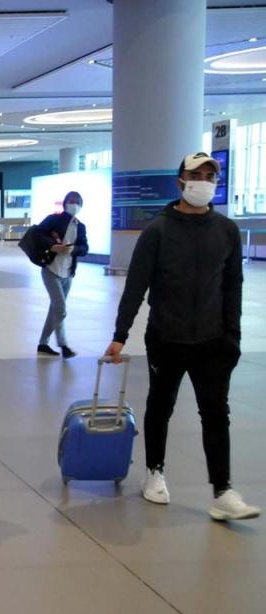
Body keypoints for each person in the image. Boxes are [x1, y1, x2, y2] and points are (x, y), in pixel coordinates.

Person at [106, 152, 259, 522]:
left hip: (213, 341)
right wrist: (120, 335)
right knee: (161, 406)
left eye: (210, 176)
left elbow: (233, 287)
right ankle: (154, 472)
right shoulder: (158, 231)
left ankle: (222, 492)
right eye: (196, 175)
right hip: (167, 338)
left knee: (216, 413)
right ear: (180, 182)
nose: (203, 181)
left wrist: (233, 337)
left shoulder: (226, 230)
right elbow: (136, 286)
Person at [33, 191, 90, 359]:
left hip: (68, 273)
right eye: (71, 200)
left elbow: (85, 248)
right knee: (60, 308)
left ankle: (43, 343)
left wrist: (74, 249)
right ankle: (64, 345)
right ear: (65, 203)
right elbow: (36, 234)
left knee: (55, 308)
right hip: (51, 270)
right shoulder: (54, 219)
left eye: (77, 201)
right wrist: (52, 246)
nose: (74, 204)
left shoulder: (80, 226)